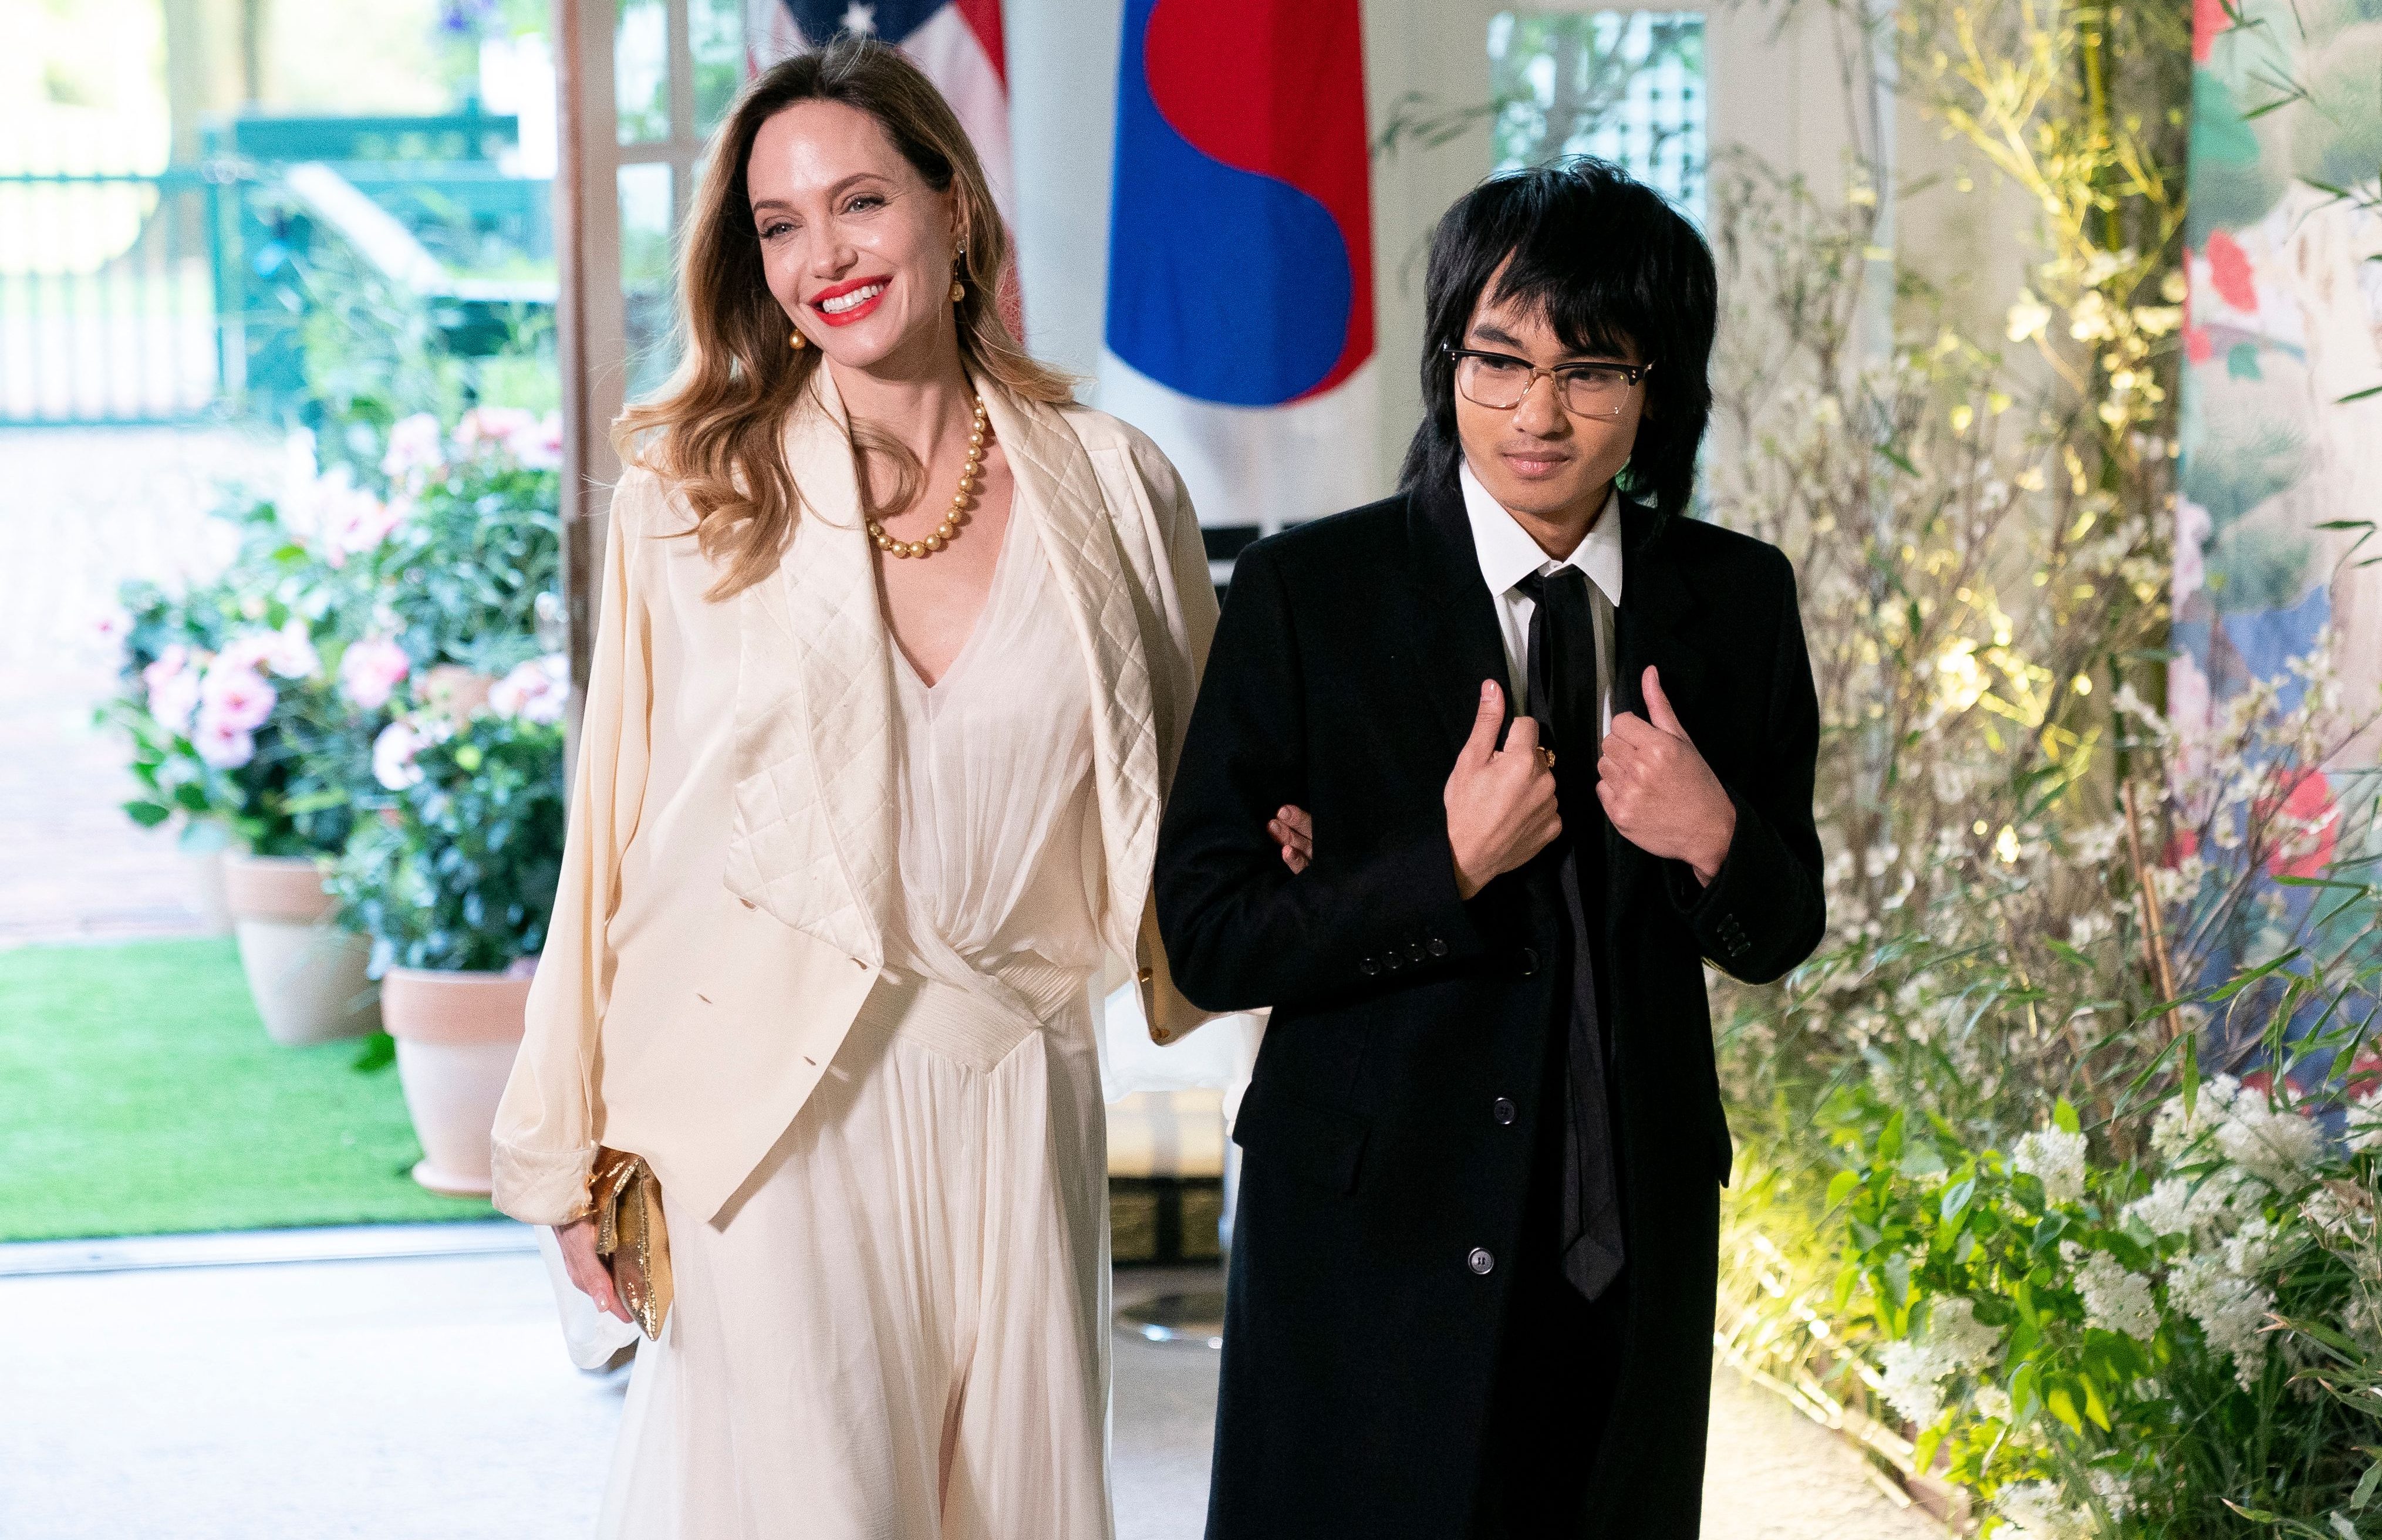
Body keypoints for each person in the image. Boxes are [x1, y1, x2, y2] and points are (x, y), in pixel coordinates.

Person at [489, 38, 1217, 1539]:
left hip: (1019, 1085)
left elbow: (1210, 804)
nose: (822, 254)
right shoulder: (693, 496)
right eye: (778, 223)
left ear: (954, 210)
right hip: (767, 1108)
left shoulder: (1117, 484)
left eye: (862, 201)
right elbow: (606, 831)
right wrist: (567, 1150)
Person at [1152, 157, 1826, 1539]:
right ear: (1445, 357)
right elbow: (1209, 935)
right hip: (1371, 1227)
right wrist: (1438, 864)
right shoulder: (1309, 594)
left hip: (1629, 1232)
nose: (1536, 412)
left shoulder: (1736, 600)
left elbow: (1783, 927)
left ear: (1655, 389)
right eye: (1497, 360)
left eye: (1589, 372)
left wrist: (1714, 837)